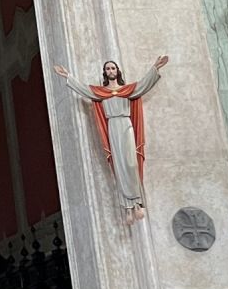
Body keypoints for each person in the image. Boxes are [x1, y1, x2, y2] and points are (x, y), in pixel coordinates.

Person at [53, 56, 169, 222]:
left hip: (126, 124)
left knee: (131, 163)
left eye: (113, 68)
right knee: (119, 165)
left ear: (117, 71)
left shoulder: (127, 90)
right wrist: (67, 76)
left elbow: (143, 84)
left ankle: (137, 202)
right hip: (113, 127)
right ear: (105, 73)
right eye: (108, 69)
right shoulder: (101, 92)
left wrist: (155, 68)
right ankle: (127, 207)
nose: (111, 71)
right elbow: (84, 89)